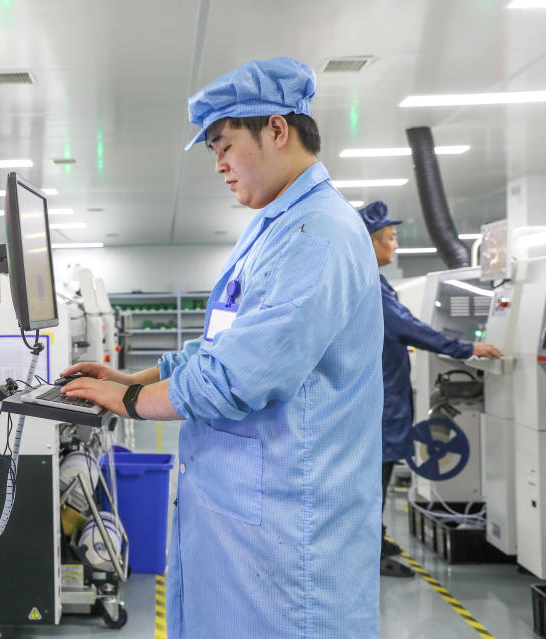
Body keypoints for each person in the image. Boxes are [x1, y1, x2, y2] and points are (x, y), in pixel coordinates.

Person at [61, 58, 383, 637]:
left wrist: (127, 404)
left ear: (278, 130)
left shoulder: (318, 235)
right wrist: (134, 379)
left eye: (224, 144)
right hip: (253, 524)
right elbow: (225, 345)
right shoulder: (277, 228)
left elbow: (237, 376)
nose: (220, 165)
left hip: (289, 537)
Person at [358, 201, 502, 578]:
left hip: (383, 400)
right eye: (391, 239)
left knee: (379, 479)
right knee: (375, 483)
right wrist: (466, 348)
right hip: (380, 404)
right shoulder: (368, 285)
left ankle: (377, 538)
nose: (396, 246)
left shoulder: (374, 282)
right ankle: (368, 557)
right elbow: (410, 329)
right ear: (372, 242)